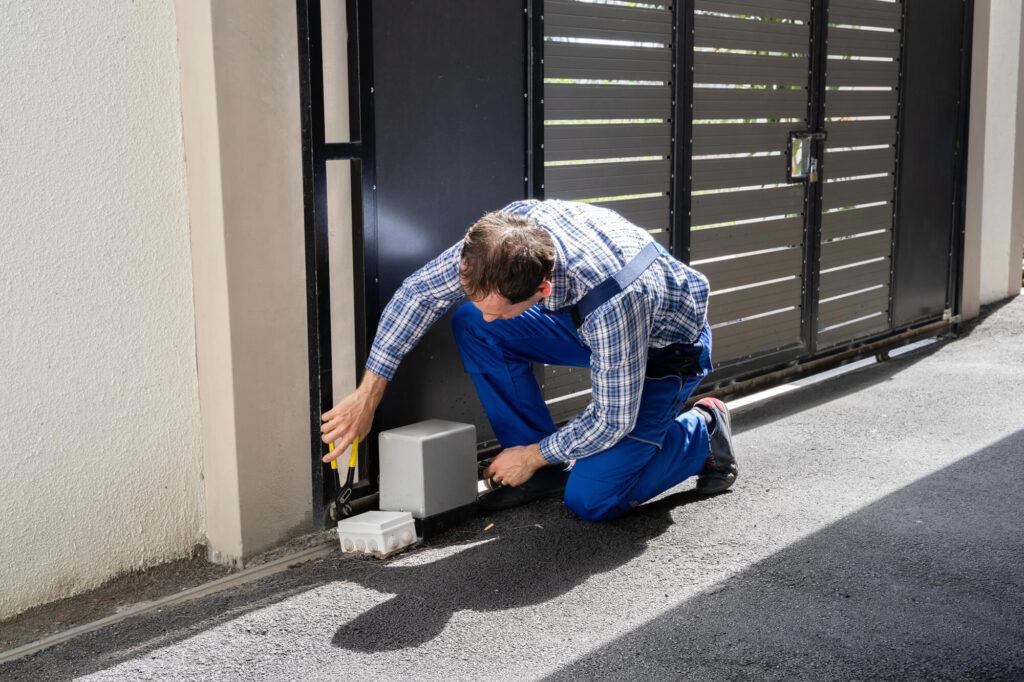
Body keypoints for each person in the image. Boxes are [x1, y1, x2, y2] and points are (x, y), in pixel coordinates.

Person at [320, 199, 737, 522]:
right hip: (595, 329)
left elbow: (612, 419)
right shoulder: (501, 242)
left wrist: (532, 454)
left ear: (541, 288)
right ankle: (543, 474)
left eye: (499, 309)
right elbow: (418, 295)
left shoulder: (614, 299)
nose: (489, 315)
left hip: (662, 353)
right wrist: (368, 394)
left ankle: (703, 433)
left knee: (593, 500)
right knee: (472, 324)